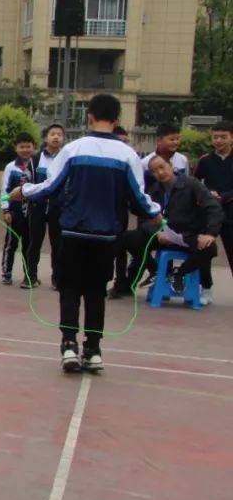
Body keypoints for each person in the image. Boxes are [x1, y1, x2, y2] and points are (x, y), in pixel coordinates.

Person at [14, 94, 160, 373]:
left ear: (89, 117)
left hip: (72, 231)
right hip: (107, 236)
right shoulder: (128, 155)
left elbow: (50, 186)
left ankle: (69, 345)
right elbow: (139, 198)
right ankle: (93, 349)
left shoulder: (74, 149)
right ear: (117, 120)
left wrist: (23, 191)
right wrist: (156, 212)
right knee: (95, 291)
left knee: (69, 289)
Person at [119, 154, 222, 296]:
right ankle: (155, 271)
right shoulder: (154, 190)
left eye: (162, 167)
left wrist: (210, 233)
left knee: (209, 248)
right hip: (164, 236)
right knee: (127, 238)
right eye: (155, 171)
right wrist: (157, 232)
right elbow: (144, 219)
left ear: (171, 166)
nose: (160, 173)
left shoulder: (191, 184)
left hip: (188, 235)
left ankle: (179, 274)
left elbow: (213, 208)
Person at [193, 119, 233, 307]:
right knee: (205, 250)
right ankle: (206, 288)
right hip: (208, 214)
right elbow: (194, 183)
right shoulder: (205, 161)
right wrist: (207, 194)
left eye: (223, 137)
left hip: (230, 212)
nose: (219, 141)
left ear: (231, 138)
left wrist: (224, 196)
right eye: (215, 137)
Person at [25, 124, 65, 290]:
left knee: (58, 245)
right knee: (34, 243)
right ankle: (30, 277)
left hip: (59, 209)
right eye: (52, 134)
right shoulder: (35, 159)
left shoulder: (66, 158)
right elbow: (28, 182)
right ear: (45, 138)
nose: (56, 137)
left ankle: (57, 279)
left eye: (59, 134)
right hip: (38, 207)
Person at [0, 133, 36, 286]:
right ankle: (6, 273)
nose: (25, 150)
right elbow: (5, 190)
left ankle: (28, 274)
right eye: (22, 147)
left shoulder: (36, 166)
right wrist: (6, 210)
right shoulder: (11, 167)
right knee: (11, 243)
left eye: (28, 146)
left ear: (33, 147)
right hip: (14, 213)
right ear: (16, 148)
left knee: (29, 245)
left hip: (31, 213)